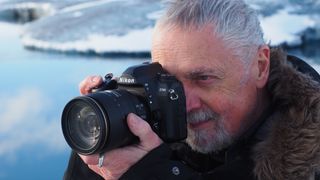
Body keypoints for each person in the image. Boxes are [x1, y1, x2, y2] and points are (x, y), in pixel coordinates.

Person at [63, 0, 320, 179]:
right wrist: (102, 142)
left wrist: (148, 173)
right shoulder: (154, 129)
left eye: (204, 78)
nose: (183, 104)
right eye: (167, 82)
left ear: (260, 67)